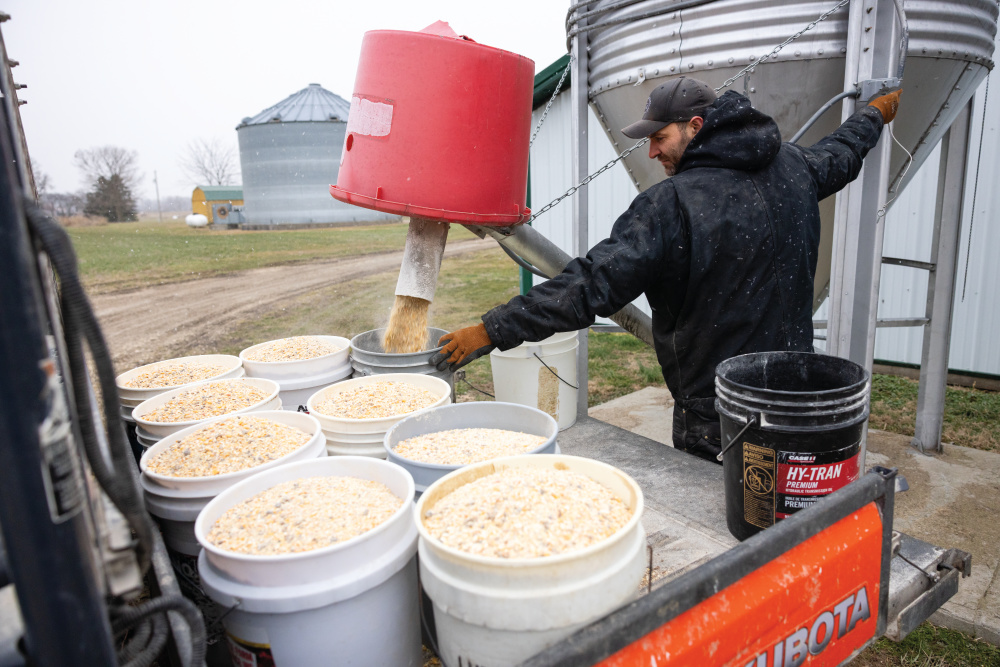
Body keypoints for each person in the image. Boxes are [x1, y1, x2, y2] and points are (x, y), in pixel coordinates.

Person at [430, 77, 902, 463]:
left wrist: (491, 330)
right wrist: (873, 116)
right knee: (783, 510)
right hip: (792, 389)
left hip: (718, 410)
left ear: (695, 126)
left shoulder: (670, 204)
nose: (652, 153)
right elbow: (841, 154)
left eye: (659, 138)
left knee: (718, 524)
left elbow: (593, 284)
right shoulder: (796, 166)